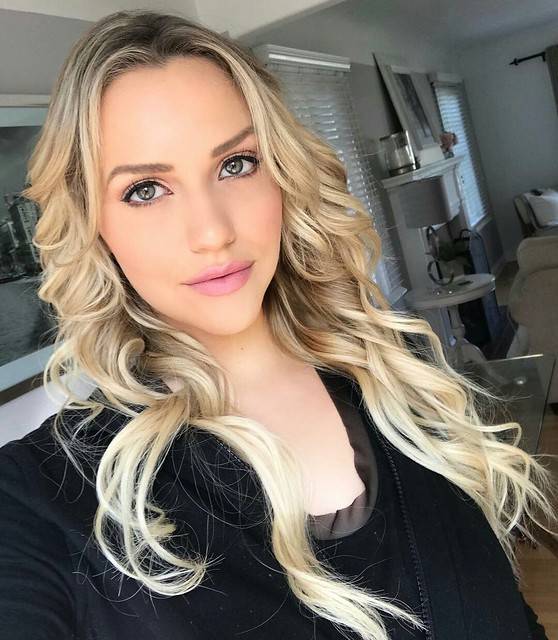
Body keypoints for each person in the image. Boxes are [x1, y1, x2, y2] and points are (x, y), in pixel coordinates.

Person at [0, 9, 556, 640]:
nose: (212, 232)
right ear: (93, 224)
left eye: (236, 164)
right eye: (146, 190)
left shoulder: (400, 371)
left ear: (283, 175)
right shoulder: (41, 499)